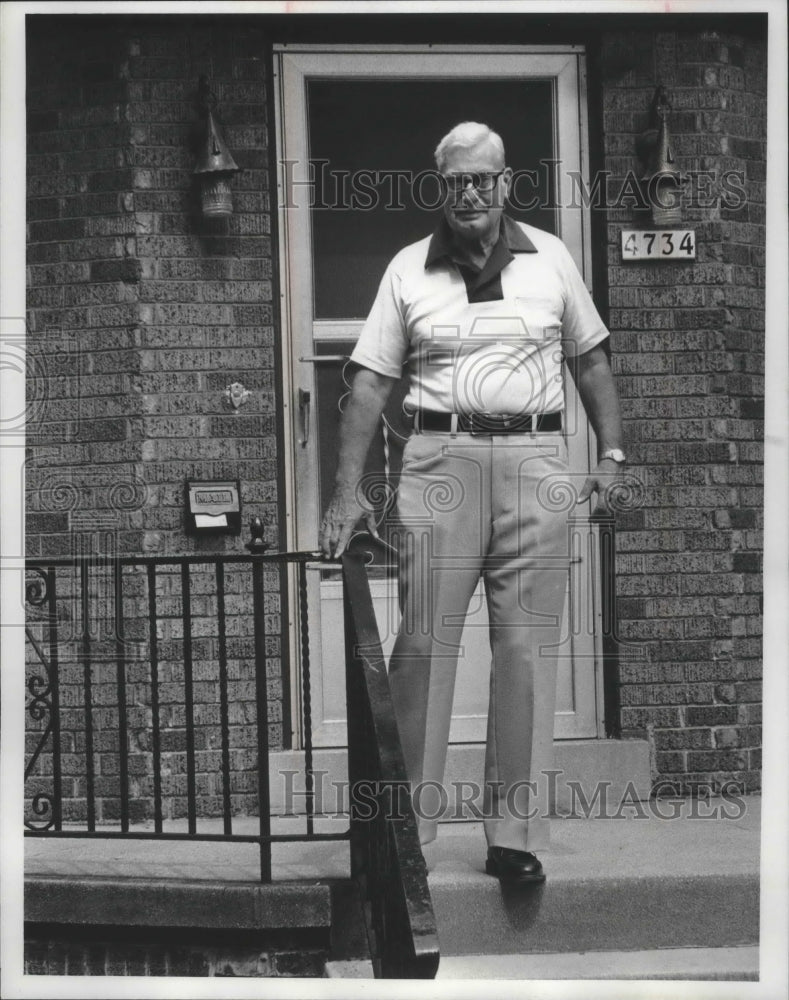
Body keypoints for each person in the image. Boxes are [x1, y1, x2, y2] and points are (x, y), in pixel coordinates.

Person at [320, 121, 625, 885]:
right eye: (454, 181)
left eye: (481, 179)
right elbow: (367, 388)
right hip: (438, 459)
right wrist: (344, 495)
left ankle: (512, 838)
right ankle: (406, 834)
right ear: (440, 185)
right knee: (422, 645)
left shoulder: (550, 258)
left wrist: (612, 455)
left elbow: (590, 362)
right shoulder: (406, 270)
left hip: (536, 460)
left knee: (523, 651)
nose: (468, 193)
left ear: (504, 182)